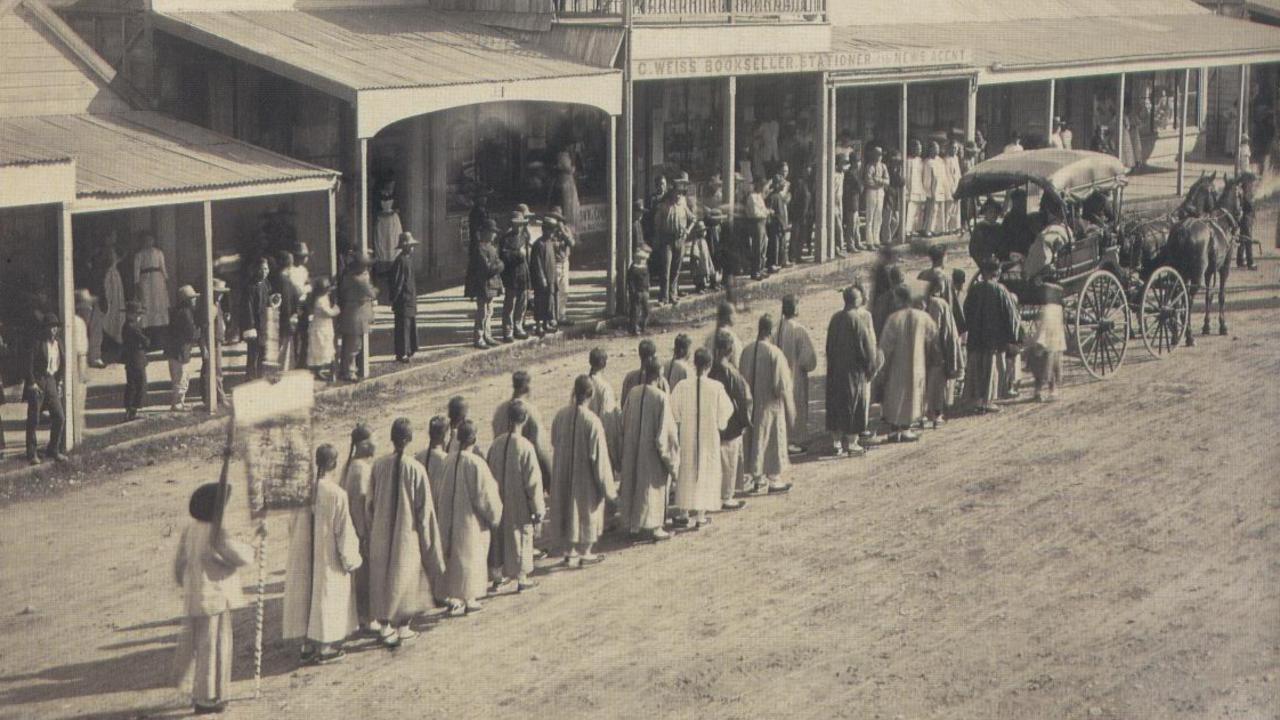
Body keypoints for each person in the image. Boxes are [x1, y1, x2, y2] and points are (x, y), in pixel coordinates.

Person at [173, 483, 254, 715]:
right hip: (213, 598)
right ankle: (207, 696)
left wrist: (185, 583)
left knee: (201, 646)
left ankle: (206, 693)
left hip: (194, 595)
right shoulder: (216, 532)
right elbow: (236, 555)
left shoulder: (191, 530)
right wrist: (253, 549)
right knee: (214, 647)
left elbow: (180, 563)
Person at [366, 418, 445, 647]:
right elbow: (425, 512)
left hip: (381, 534)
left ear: (392, 439)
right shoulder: (416, 469)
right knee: (405, 580)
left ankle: (384, 626)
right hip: (406, 536)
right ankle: (403, 627)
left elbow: (369, 505)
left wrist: (374, 529)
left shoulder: (378, 466)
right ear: (409, 440)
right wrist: (430, 544)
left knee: (383, 579)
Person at [283, 444, 362, 665]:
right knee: (325, 596)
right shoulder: (337, 494)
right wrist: (350, 559)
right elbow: (344, 531)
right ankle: (325, 648)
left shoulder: (302, 492)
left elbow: (291, 525)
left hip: (304, 552)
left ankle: (306, 645)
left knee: (308, 594)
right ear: (333, 464)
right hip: (327, 555)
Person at [548, 375, 617, 568]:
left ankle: (570, 552)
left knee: (568, 510)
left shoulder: (560, 416)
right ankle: (585, 552)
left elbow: (554, 441)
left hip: (564, 472)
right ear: (591, 394)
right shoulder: (593, 421)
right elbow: (600, 460)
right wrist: (609, 491)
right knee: (585, 511)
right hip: (584, 476)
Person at [436, 420, 502, 613]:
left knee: (455, 558)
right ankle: (469, 599)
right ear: (474, 438)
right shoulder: (476, 463)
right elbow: (486, 496)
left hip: (449, 517)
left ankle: (455, 597)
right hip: (469, 521)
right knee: (470, 558)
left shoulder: (447, 460)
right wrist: (494, 516)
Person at [671, 348, 734, 530]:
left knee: (687, 469)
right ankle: (700, 516)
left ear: (694, 364)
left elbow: (674, 411)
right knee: (705, 469)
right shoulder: (716, 387)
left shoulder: (682, 386)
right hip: (708, 435)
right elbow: (727, 411)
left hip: (688, 435)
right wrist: (719, 423)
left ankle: (684, 513)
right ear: (709, 365)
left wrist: (682, 421)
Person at [618, 356, 679, 540]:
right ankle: (655, 528)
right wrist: (672, 461)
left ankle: (633, 525)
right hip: (651, 452)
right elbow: (666, 434)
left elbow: (623, 421)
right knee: (651, 488)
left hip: (632, 448)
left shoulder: (633, 393)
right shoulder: (660, 398)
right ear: (659, 375)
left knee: (633, 484)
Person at [486, 401, 545, 592]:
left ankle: (497, 577)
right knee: (520, 538)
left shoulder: (495, 444)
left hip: (498, 501)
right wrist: (538, 510)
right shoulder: (525, 446)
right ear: (525, 420)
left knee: (498, 540)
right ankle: (522, 578)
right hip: (518, 502)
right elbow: (533, 483)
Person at [738, 314, 795, 495]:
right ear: (770, 331)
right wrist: (789, 407)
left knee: (754, 440)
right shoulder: (774, 353)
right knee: (771, 441)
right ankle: (774, 479)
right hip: (769, 405)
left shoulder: (746, 351)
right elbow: (781, 386)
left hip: (750, 404)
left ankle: (757, 478)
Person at [876, 286, 938, 443]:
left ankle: (895, 429)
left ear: (901, 299)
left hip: (896, 365)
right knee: (913, 394)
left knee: (894, 394)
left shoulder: (893, 319)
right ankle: (906, 428)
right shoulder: (924, 317)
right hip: (917, 363)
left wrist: (881, 366)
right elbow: (933, 339)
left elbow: (885, 346)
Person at [962, 257, 1021, 414]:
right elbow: (1011, 316)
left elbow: (966, 310)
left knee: (977, 366)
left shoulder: (974, 289)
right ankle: (987, 401)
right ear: (997, 272)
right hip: (994, 337)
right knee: (991, 369)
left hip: (976, 335)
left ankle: (977, 400)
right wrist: (1014, 337)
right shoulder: (1000, 290)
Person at [825, 286, 878, 457]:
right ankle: (852, 443)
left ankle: (836, 443)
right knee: (853, 406)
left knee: (836, 405)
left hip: (835, 371)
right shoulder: (857, 320)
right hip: (854, 374)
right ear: (857, 300)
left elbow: (828, 346)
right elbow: (867, 349)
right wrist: (870, 369)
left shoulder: (835, 318)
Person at [339, 423, 377, 636]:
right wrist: (363, 533)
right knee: (365, 578)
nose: (377, 443)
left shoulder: (353, 467)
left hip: (356, 531)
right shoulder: (360, 470)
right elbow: (359, 505)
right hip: (361, 532)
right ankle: (366, 618)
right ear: (363, 445)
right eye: (374, 439)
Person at [708, 330, 751, 509]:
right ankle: (727, 497)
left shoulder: (710, 370)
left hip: (713, 423)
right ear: (730, 349)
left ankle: (716, 494)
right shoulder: (731, 372)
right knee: (730, 462)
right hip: (731, 424)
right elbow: (743, 398)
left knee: (717, 462)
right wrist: (745, 421)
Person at [774, 292, 818, 456]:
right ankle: (794, 442)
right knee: (796, 407)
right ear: (795, 308)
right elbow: (809, 360)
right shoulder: (799, 330)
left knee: (781, 407)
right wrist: (807, 366)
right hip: (795, 375)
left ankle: (783, 440)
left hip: (778, 375)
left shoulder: (775, 329)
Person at [490, 371, 553, 481]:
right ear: (527, 387)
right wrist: (550, 478)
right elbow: (539, 448)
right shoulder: (529, 410)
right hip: (523, 471)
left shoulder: (499, 411)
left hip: (501, 470)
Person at [921, 272, 963, 428]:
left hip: (923, 349)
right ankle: (935, 415)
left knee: (925, 382)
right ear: (939, 287)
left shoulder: (921, 302)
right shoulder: (939, 304)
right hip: (937, 348)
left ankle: (924, 413)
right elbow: (940, 329)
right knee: (938, 384)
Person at [24, 313, 66, 464]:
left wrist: (59, 382)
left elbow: (62, 363)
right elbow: (28, 364)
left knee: (59, 417)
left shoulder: (59, 343)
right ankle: (31, 453)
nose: (53, 330)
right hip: (39, 381)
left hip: (51, 381)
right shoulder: (38, 342)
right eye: (50, 327)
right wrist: (32, 383)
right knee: (34, 418)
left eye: (55, 327)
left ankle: (53, 449)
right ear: (45, 329)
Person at [1025, 273, 1066, 402]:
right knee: (1049, 368)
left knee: (1043, 369)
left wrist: (1038, 340)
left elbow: (1044, 327)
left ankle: (1041, 391)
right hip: (1052, 341)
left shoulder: (1048, 309)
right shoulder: (1057, 308)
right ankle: (1050, 391)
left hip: (1046, 341)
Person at [337, 253, 376, 382]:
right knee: (354, 345)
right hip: (357, 314)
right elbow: (372, 293)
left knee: (349, 344)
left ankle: (346, 370)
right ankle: (350, 372)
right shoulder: (360, 279)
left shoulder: (348, 276)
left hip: (350, 312)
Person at [655, 175, 693, 303]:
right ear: (672, 193)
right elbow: (657, 224)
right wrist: (658, 239)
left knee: (676, 270)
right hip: (667, 240)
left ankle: (673, 295)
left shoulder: (683, 205)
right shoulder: (664, 206)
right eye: (677, 192)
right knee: (666, 269)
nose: (678, 195)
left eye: (681, 193)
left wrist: (687, 230)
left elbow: (693, 219)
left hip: (680, 240)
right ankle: (663, 297)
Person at [586, 347, 622, 468]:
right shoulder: (604, 388)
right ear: (604, 364)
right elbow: (608, 424)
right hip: (600, 441)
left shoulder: (583, 383)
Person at [498, 211, 531, 342]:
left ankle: (518, 327)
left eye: (521, 224)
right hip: (511, 275)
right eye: (516, 224)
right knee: (510, 304)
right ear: (512, 224)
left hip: (523, 273)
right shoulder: (505, 239)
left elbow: (527, 256)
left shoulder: (524, 237)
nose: (519, 227)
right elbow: (504, 256)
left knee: (522, 302)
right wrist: (518, 254)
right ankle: (508, 331)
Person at [167, 285, 200, 412]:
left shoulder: (177, 311)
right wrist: (200, 331)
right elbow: (191, 333)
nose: (195, 301)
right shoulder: (185, 313)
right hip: (180, 351)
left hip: (176, 351)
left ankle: (179, 402)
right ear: (187, 300)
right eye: (192, 298)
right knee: (181, 378)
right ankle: (177, 404)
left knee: (179, 377)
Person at [198, 278, 230, 410]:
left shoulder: (217, 304)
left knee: (212, 369)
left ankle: (210, 396)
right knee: (215, 370)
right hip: (212, 342)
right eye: (219, 292)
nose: (221, 294)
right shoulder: (211, 307)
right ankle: (218, 397)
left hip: (217, 340)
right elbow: (203, 328)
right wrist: (204, 346)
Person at [389, 232, 420, 361]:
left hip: (410, 297)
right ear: (405, 246)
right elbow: (398, 282)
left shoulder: (409, 260)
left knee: (410, 325)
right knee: (403, 327)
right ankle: (402, 353)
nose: (412, 248)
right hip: (403, 300)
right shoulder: (400, 261)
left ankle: (410, 349)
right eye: (410, 245)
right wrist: (395, 299)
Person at [924, 243, 966, 334]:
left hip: (925, 319)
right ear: (943, 257)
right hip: (941, 319)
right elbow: (951, 303)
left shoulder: (923, 275)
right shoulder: (945, 278)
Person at [133, 231, 170, 332]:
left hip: (158, 280)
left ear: (153, 241)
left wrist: (166, 279)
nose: (148, 242)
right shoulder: (139, 254)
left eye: (150, 240)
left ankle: (160, 325)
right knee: (147, 300)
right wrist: (136, 283)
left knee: (158, 300)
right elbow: (136, 270)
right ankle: (147, 325)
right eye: (146, 240)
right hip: (145, 280)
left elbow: (163, 267)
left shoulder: (159, 253)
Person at [241, 257, 271, 380]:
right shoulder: (250, 287)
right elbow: (247, 308)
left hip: (264, 324)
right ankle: (250, 377)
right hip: (254, 326)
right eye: (261, 269)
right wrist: (250, 326)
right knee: (253, 353)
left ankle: (261, 376)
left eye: (266, 269)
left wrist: (272, 302)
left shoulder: (265, 284)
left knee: (263, 351)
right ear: (256, 270)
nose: (264, 272)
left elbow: (266, 301)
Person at [271, 250, 302, 370]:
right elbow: (287, 302)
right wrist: (289, 318)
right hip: (285, 319)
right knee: (284, 350)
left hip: (279, 318)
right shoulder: (284, 280)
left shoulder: (277, 278)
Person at [529, 216, 559, 336]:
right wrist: (542, 279)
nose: (552, 233)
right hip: (542, 280)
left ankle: (546, 323)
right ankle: (538, 326)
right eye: (550, 230)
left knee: (549, 302)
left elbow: (552, 261)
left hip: (551, 278)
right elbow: (537, 264)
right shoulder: (538, 244)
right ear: (544, 230)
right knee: (540, 302)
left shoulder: (550, 243)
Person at [122, 300, 150, 422]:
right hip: (136, 359)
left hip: (132, 358)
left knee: (132, 385)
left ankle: (131, 410)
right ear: (130, 314)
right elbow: (146, 341)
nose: (139, 317)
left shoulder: (128, 326)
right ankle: (133, 410)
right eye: (136, 314)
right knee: (139, 384)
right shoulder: (132, 327)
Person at [620, 339, 668, 409]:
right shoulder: (659, 379)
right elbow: (667, 406)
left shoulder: (629, 377)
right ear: (652, 357)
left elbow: (623, 405)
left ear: (639, 355)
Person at [307, 277, 340, 380]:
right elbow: (329, 313)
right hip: (320, 328)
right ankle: (320, 371)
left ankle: (327, 371)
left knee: (327, 349)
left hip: (325, 327)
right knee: (321, 350)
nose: (329, 290)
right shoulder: (319, 300)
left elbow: (332, 290)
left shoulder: (323, 296)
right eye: (327, 288)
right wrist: (337, 308)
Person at [548, 207, 576, 324]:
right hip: (555, 262)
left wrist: (563, 232)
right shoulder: (550, 231)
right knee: (554, 290)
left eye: (558, 219)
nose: (557, 221)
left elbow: (572, 243)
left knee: (564, 290)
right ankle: (552, 316)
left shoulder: (565, 230)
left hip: (565, 261)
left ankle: (561, 314)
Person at [862, 146, 889, 250]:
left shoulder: (883, 166)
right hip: (871, 192)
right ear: (873, 155)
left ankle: (876, 240)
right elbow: (868, 181)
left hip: (880, 192)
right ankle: (869, 242)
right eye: (877, 154)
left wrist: (877, 180)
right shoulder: (870, 166)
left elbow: (887, 181)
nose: (879, 157)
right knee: (870, 217)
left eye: (880, 154)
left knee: (878, 216)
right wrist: (880, 182)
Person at [702, 301, 743, 367]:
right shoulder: (732, 338)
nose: (736, 316)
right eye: (734, 313)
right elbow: (737, 364)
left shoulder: (709, 338)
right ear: (729, 316)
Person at [744, 178, 770, 280]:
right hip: (756, 223)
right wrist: (766, 212)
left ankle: (761, 268)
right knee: (757, 247)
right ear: (758, 185)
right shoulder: (752, 197)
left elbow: (763, 209)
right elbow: (755, 212)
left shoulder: (760, 196)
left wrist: (766, 212)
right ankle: (755, 271)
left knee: (764, 246)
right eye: (762, 186)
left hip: (763, 222)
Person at [968, 197, 1005, 266]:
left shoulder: (999, 228)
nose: (993, 215)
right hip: (983, 260)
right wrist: (982, 260)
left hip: (998, 260)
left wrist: (998, 257)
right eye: (990, 212)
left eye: (995, 212)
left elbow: (1003, 245)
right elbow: (973, 249)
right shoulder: (980, 228)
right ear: (985, 213)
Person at [921, 141, 947, 237]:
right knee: (931, 211)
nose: (937, 150)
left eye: (938, 148)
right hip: (932, 190)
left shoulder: (940, 161)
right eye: (935, 148)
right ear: (930, 149)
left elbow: (943, 176)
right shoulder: (927, 162)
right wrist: (928, 191)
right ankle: (927, 230)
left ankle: (937, 229)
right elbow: (926, 179)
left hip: (941, 188)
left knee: (939, 210)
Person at [767, 170, 791, 269]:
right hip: (775, 224)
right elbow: (772, 211)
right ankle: (773, 263)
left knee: (781, 244)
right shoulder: (773, 197)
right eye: (780, 184)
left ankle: (780, 261)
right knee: (774, 245)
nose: (782, 186)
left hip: (780, 224)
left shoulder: (779, 196)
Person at [626, 244, 652, 335]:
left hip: (645, 292)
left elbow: (647, 279)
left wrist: (648, 289)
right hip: (637, 293)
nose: (643, 261)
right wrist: (633, 292)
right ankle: (633, 328)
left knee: (646, 311)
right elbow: (630, 282)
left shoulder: (645, 267)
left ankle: (642, 326)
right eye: (641, 259)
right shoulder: (633, 269)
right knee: (635, 311)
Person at [904, 140, 926, 237]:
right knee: (910, 211)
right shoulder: (907, 161)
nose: (919, 150)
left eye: (920, 149)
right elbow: (907, 177)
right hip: (911, 189)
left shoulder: (921, 161)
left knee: (918, 212)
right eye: (917, 148)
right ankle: (907, 230)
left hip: (919, 188)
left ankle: (915, 229)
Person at [1237, 173, 1258, 270]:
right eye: (1252, 183)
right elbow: (1249, 207)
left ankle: (1240, 260)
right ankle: (1251, 263)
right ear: (1248, 183)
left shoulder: (1245, 193)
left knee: (1243, 240)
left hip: (1246, 219)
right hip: (1246, 220)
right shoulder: (1245, 194)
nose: (1253, 185)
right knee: (1248, 240)